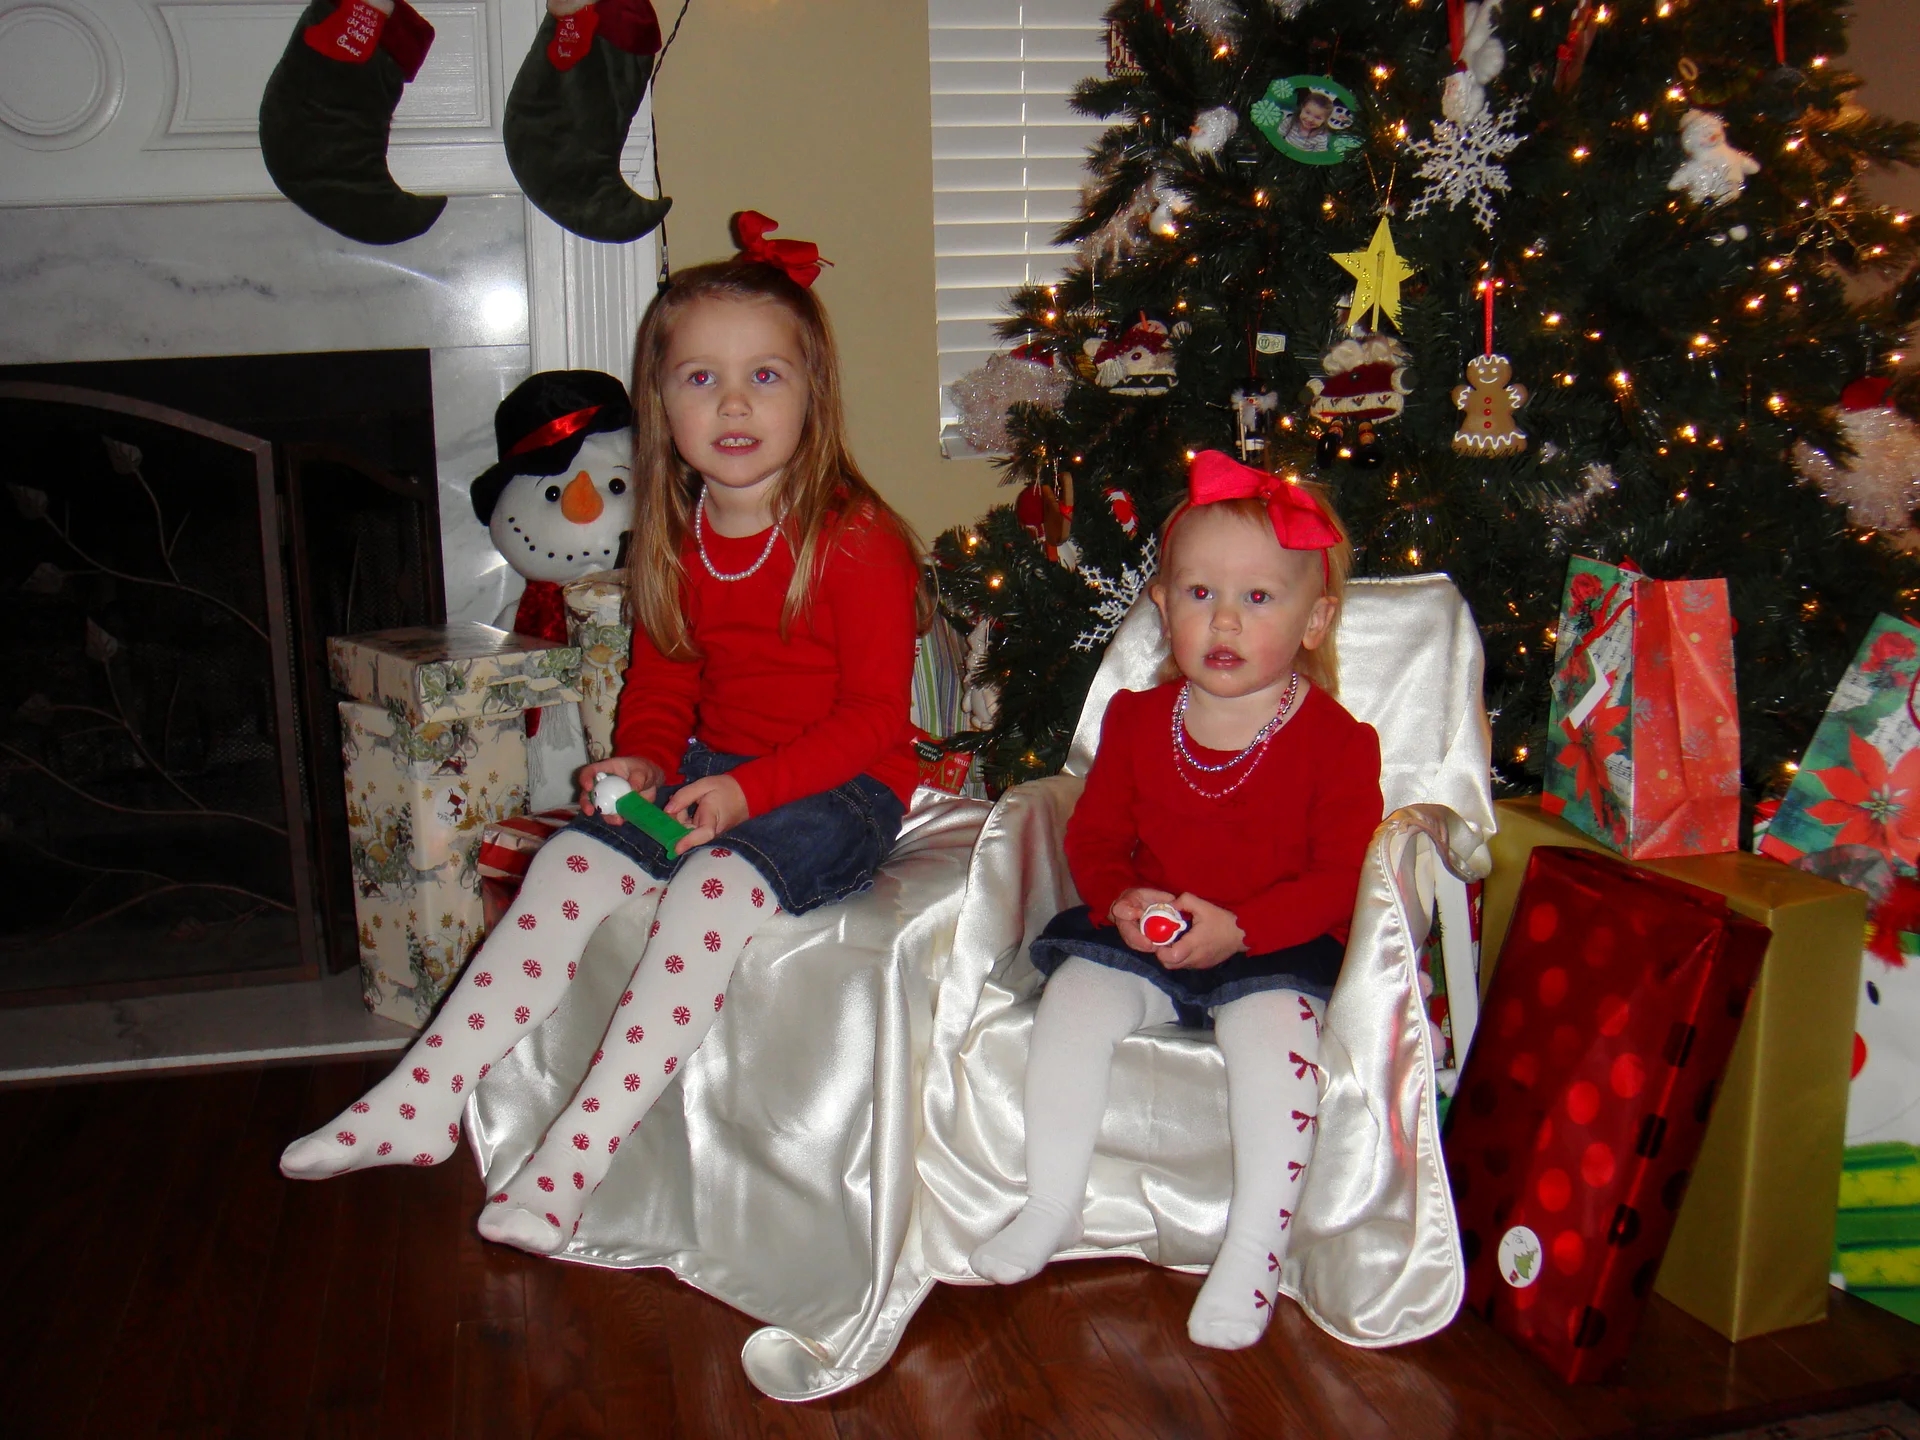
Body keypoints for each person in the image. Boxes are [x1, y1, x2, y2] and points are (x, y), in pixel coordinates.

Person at [280, 213, 926, 1257]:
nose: (732, 404)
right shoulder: (672, 534)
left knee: (711, 889)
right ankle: (423, 1098)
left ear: (814, 393)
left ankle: (572, 1163)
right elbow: (663, 681)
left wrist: (745, 798)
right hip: (713, 772)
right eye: (701, 378)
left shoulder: (855, 540)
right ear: (659, 402)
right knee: (569, 862)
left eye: (765, 377)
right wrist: (644, 761)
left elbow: (874, 718)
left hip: (839, 787)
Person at [967, 450, 1383, 1350]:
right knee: (1074, 1002)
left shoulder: (1339, 743)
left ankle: (1254, 1250)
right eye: (1199, 594)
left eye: (1258, 598)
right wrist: (1122, 900)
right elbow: (1096, 838)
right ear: (1162, 606)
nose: (1224, 619)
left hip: (1276, 943)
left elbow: (1341, 874)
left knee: (1272, 1045)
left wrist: (1247, 928)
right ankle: (1050, 1203)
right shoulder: (1137, 721)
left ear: (1316, 620)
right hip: (1154, 934)